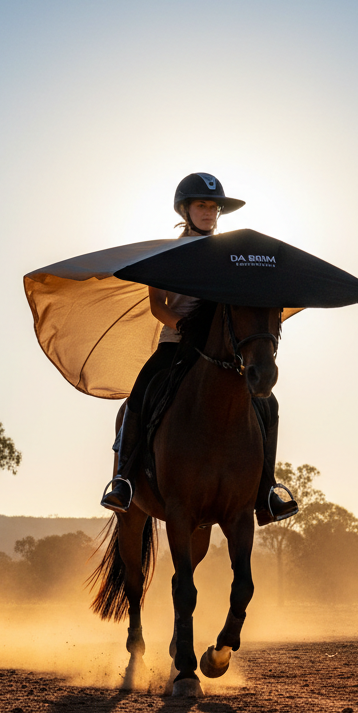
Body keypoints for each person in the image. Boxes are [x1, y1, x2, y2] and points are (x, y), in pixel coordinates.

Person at [100, 172, 298, 525]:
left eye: (214, 206)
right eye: (201, 205)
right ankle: (124, 480)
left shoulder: (230, 256)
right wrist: (184, 326)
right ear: (185, 210)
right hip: (176, 344)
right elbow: (157, 306)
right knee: (140, 394)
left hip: (222, 351)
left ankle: (267, 490)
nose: (209, 212)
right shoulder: (164, 255)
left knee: (268, 403)